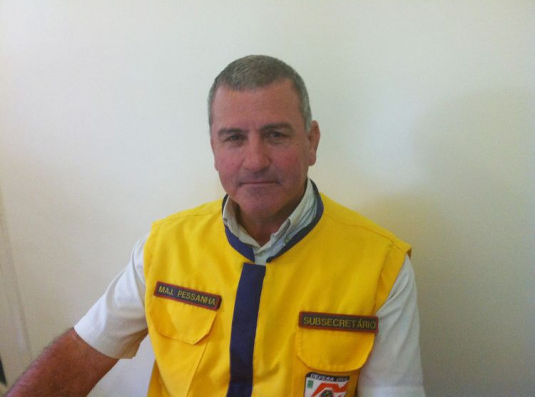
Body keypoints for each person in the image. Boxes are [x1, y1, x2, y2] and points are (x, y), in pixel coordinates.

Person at [7, 55, 424, 396]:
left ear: (311, 141)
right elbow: (81, 354)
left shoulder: (381, 266)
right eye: (234, 138)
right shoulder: (163, 247)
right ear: (213, 147)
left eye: (276, 135)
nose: (255, 160)